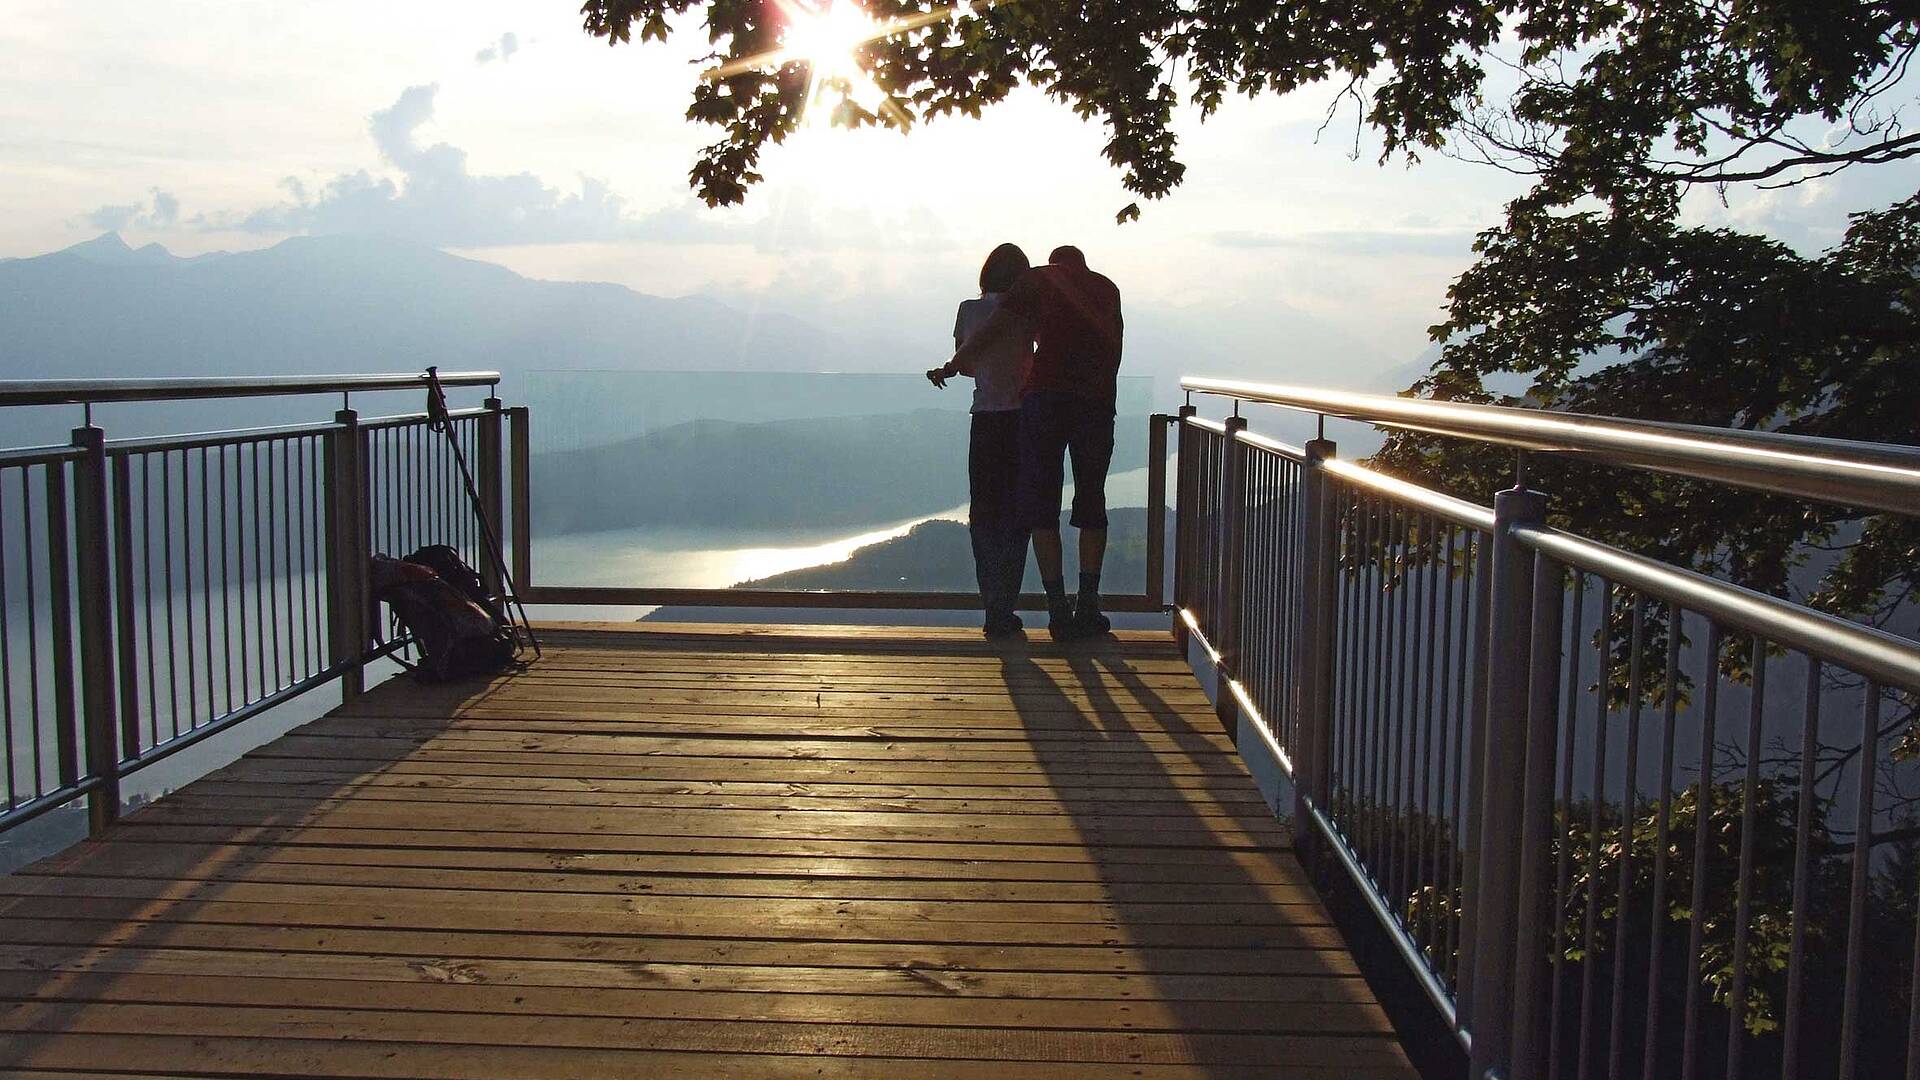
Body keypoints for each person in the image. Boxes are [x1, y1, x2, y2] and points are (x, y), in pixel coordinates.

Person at [930, 245, 1123, 641]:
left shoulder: (1029, 286)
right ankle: (1086, 603)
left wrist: (951, 366)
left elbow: (985, 340)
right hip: (1077, 408)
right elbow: (1111, 344)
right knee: (1083, 504)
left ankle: (1038, 609)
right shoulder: (1104, 287)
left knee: (1025, 509)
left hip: (1023, 410)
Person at [927, 243, 1034, 638]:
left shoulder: (968, 310)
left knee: (984, 517)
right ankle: (1007, 605)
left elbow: (968, 363)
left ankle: (993, 605)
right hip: (1023, 421)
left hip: (985, 420)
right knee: (1017, 516)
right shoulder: (1028, 313)